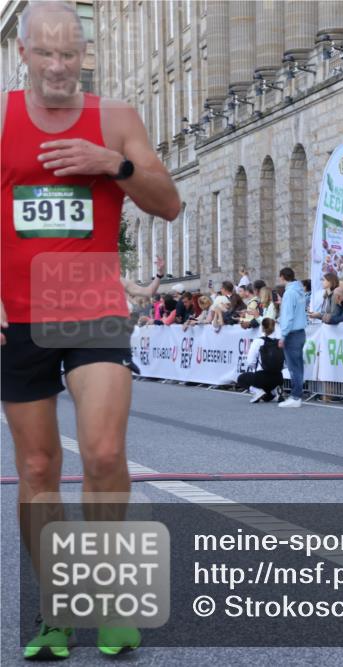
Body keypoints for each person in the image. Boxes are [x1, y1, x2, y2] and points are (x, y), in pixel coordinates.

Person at [1, 2, 180, 658]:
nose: (57, 66)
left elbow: (169, 203)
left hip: (90, 302)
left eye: (69, 53)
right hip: (18, 313)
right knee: (39, 465)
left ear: (86, 54)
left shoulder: (117, 119)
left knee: (103, 454)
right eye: (44, 53)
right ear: (21, 52)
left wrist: (114, 164)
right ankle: (56, 607)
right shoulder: (1, 116)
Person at [276, 267, 307, 407]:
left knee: (294, 367)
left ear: (282, 277)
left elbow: (288, 316)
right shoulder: (300, 291)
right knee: (298, 365)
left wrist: (283, 336)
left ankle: (295, 397)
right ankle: (297, 395)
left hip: (292, 333)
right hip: (300, 332)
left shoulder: (289, 293)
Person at [236, 317, 284, 403]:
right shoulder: (279, 342)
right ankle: (275, 390)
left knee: (241, 378)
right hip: (278, 378)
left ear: (262, 328)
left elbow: (250, 361)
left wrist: (257, 368)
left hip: (262, 377)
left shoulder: (258, 341)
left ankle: (257, 391)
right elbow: (284, 362)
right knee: (267, 398)